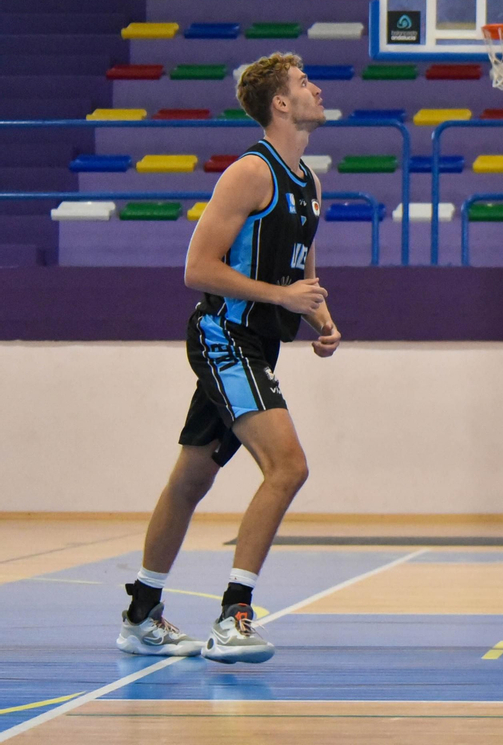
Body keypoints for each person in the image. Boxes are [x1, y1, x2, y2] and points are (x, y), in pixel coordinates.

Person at [118, 53, 338, 664]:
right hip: (224, 335)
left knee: (191, 478)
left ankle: (141, 614)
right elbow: (197, 270)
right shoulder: (249, 172)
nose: (315, 88)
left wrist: (318, 314)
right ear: (281, 105)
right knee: (288, 466)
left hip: (261, 342)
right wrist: (282, 297)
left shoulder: (309, 182)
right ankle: (233, 616)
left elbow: (301, 267)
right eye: (302, 83)